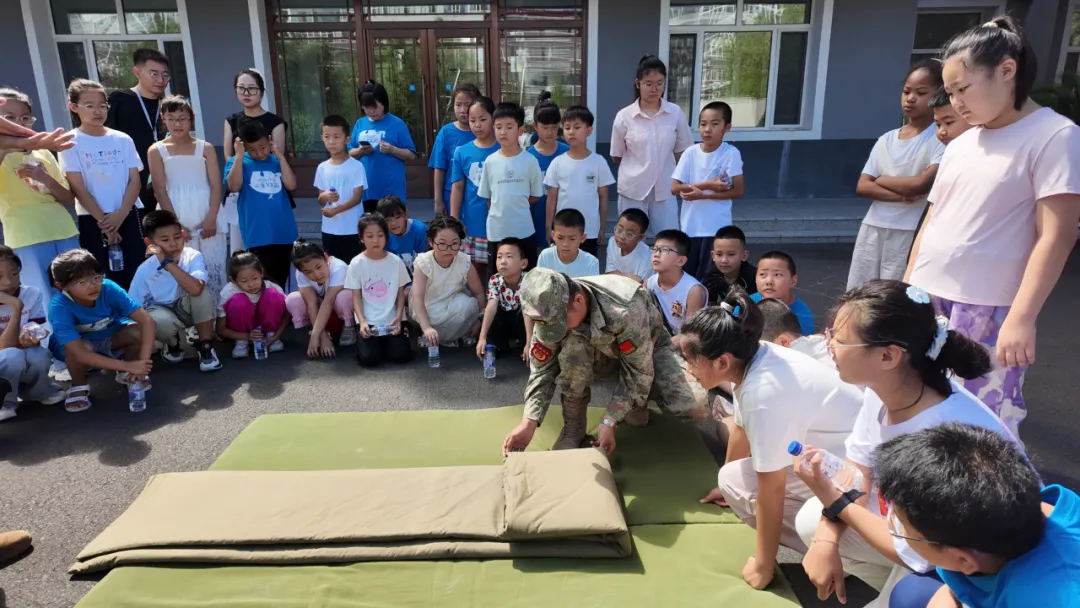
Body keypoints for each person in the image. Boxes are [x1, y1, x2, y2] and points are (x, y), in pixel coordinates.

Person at [906, 16, 1080, 439]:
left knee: (981, 424)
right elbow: (933, 220)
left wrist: (1022, 317)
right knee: (918, 406)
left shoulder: (1055, 135)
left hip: (987, 307)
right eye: (950, 92)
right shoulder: (963, 142)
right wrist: (907, 289)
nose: (956, 102)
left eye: (962, 89)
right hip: (929, 296)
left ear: (1006, 70)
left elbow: (1057, 234)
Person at [792, 281, 1018, 604]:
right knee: (813, 522)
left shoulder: (941, 436)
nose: (829, 345)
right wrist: (827, 538)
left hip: (971, 565)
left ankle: (907, 591)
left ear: (888, 355)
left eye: (839, 340)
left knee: (909, 593)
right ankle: (894, 586)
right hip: (923, 537)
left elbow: (923, 551)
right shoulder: (886, 389)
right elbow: (857, 475)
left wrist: (834, 500)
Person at [680, 294, 863, 591]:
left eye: (692, 361)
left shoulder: (764, 393)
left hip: (856, 479)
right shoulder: (755, 355)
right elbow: (740, 429)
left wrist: (763, 566)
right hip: (837, 458)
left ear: (722, 362)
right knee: (732, 480)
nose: (688, 369)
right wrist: (726, 487)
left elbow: (772, 486)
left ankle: (849, 557)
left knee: (780, 504)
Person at [503, 267, 708, 454]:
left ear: (578, 300)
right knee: (574, 343)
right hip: (603, 354)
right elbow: (541, 370)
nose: (557, 331)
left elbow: (639, 371)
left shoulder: (626, 308)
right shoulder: (548, 309)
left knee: (693, 405)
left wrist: (610, 419)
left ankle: (638, 401)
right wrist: (529, 421)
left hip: (648, 351)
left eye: (560, 324)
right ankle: (574, 428)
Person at [876, 424, 1080, 608]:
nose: (896, 525)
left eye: (901, 526)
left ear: (964, 560)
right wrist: (952, 595)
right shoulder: (1019, 506)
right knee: (910, 593)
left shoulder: (1043, 598)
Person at [849, 61, 945, 291]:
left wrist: (881, 180)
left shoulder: (940, 138)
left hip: (909, 228)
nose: (910, 99)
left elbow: (920, 185)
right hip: (873, 225)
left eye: (921, 93)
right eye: (906, 91)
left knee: (895, 292)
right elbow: (863, 185)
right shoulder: (887, 139)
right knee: (861, 291)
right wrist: (902, 195)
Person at [60, 79, 146, 291]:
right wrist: (105, 223)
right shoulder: (69, 141)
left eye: (102, 105)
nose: (97, 111)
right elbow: (78, 187)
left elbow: (135, 180)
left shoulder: (122, 139)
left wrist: (120, 214)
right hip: (93, 218)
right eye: (89, 106)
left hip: (126, 213)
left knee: (136, 270)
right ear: (73, 106)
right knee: (99, 273)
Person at [47, 249, 155, 413]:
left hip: (110, 335)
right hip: (79, 346)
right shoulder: (58, 306)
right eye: (81, 282)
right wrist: (128, 365)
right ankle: (79, 385)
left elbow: (147, 321)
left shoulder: (108, 288)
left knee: (136, 331)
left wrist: (143, 364)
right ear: (61, 286)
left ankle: (129, 374)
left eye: (96, 277)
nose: (93, 285)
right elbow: (79, 353)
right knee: (79, 350)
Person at [0, 88, 79, 298]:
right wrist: (6, 148)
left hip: (63, 230)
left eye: (25, 118)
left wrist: (45, 178)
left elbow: (68, 198)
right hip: (26, 236)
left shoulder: (43, 151)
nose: (19, 123)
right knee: (43, 296)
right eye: (9, 118)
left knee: (77, 290)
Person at [147, 95, 226, 306]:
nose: (177, 124)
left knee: (213, 267)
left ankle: (217, 313)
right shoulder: (156, 150)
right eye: (171, 119)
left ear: (191, 119)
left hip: (205, 208)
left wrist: (211, 217)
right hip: (174, 210)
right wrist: (175, 224)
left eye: (182, 119)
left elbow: (216, 185)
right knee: (181, 267)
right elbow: (160, 190)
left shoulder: (205, 147)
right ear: (163, 119)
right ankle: (186, 315)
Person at [127, 210, 221, 373]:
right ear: (150, 243)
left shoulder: (193, 256)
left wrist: (167, 263)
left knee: (201, 292)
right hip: (161, 312)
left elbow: (196, 289)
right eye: (165, 240)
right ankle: (172, 342)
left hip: (186, 307)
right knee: (161, 321)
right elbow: (133, 307)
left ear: (183, 234)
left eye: (177, 237)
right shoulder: (144, 270)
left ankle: (206, 347)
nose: (173, 244)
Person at [610, 55, 693, 236]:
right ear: (638, 84)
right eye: (648, 84)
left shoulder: (675, 113)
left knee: (669, 238)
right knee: (629, 238)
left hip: (665, 187)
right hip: (633, 189)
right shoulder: (624, 116)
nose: (654, 89)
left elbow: (683, 152)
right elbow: (616, 155)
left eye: (659, 83)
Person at [672, 101, 745, 279]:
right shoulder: (690, 153)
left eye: (715, 124)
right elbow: (674, 188)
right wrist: (708, 186)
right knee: (689, 277)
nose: (707, 129)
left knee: (712, 278)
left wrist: (701, 195)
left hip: (717, 228)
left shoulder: (731, 153)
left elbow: (738, 191)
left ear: (727, 127)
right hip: (690, 227)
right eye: (703, 124)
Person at [224, 120, 299, 288]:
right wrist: (239, 156)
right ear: (243, 145)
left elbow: (291, 185)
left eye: (263, 147)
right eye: (252, 149)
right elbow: (234, 186)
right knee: (262, 282)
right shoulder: (237, 162)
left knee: (281, 282)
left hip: (283, 232)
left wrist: (280, 157)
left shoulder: (276, 161)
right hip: (257, 235)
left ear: (270, 140)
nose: (259, 154)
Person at [224, 68, 290, 252]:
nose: (246, 93)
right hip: (241, 189)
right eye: (241, 88)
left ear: (261, 91)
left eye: (252, 88)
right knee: (242, 246)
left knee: (272, 245)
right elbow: (228, 156)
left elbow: (277, 157)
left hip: (268, 187)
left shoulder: (275, 121)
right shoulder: (231, 121)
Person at [0, 246, 65, 421]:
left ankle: (38, 392)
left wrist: (34, 336)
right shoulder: (18, 301)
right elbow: (4, 348)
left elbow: (33, 327)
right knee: (11, 355)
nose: (8, 282)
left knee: (38, 354)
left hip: (15, 354)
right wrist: (16, 306)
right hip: (5, 358)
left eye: (14, 273)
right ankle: (5, 402)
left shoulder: (31, 293)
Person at [479, 101, 544, 275]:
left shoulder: (530, 161)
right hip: (497, 230)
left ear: (520, 130)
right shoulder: (490, 162)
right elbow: (488, 198)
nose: (503, 132)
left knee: (528, 276)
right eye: (498, 127)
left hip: (523, 229)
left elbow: (535, 195)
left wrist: (517, 206)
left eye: (509, 127)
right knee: (497, 276)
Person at [543, 105, 614, 257]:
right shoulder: (557, 163)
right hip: (563, 230)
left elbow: (603, 197)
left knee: (587, 266)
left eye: (576, 127)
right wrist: (549, 227)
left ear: (589, 131)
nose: (571, 132)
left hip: (589, 230)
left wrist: (602, 227)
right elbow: (551, 199)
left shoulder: (598, 162)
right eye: (567, 127)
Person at [106, 48, 169, 212]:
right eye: (154, 74)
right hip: (129, 181)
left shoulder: (167, 106)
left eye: (165, 75)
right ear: (137, 72)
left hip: (163, 181)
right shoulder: (119, 100)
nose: (160, 80)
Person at [346, 213, 412, 367]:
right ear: (362, 238)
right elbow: (356, 296)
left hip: (392, 319)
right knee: (369, 359)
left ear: (386, 236)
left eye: (380, 235)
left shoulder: (395, 261)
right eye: (369, 236)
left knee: (401, 355)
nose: (375, 240)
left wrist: (399, 317)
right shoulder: (356, 263)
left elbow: (400, 293)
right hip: (369, 320)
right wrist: (362, 322)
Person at [410, 215, 485, 348]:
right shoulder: (423, 263)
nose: (449, 248)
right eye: (442, 244)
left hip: (453, 302)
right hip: (429, 305)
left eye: (454, 243)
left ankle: (455, 333)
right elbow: (418, 299)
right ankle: (430, 334)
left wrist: (478, 319)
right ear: (431, 242)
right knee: (428, 315)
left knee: (469, 306)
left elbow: (478, 293)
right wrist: (426, 327)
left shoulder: (464, 261)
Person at [348, 81, 417, 213]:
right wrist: (360, 151)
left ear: (384, 103)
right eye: (366, 108)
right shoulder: (360, 124)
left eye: (375, 107)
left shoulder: (397, 124)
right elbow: (349, 153)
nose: (371, 111)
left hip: (391, 192)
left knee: (392, 224)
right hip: (366, 190)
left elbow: (411, 155)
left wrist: (392, 149)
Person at [450, 96, 499, 273]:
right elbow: (458, 187)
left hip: (500, 222)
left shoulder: (505, 149)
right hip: (474, 221)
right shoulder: (462, 152)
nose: (477, 125)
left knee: (501, 269)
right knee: (474, 271)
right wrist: (454, 219)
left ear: (493, 118)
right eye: (472, 120)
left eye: (483, 119)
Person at [286, 238, 354, 359]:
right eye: (308, 272)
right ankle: (316, 331)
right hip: (321, 315)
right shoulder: (300, 273)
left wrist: (315, 335)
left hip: (337, 313)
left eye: (318, 267)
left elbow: (329, 301)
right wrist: (322, 337)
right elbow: (311, 303)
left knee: (344, 296)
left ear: (325, 257)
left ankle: (349, 327)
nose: (316, 275)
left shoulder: (339, 268)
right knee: (293, 299)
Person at [216, 250, 287, 359]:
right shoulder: (228, 292)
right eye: (244, 281)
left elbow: (287, 313)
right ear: (232, 280)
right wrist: (246, 336)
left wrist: (276, 336)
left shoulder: (271, 286)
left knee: (272, 295)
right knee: (239, 301)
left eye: (255, 278)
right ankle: (241, 342)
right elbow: (220, 330)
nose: (251, 284)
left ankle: (270, 334)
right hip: (242, 333)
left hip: (267, 330)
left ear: (261, 273)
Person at [315, 114, 366, 264]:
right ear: (322, 138)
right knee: (333, 267)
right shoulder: (322, 167)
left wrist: (335, 211)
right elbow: (320, 199)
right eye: (327, 137)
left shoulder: (356, 166)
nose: (331, 141)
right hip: (329, 229)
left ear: (347, 139)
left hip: (352, 228)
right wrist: (324, 196)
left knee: (353, 267)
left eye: (336, 137)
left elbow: (356, 198)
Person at [526, 92, 569, 249]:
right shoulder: (527, 157)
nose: (550, 132)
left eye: (554, 127)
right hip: (535, 220)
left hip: (564, 220)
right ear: (535, 126)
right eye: (545, 128)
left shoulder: (568, 153)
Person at [477, 237, 531, 361]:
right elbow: (491, 306)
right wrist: (482, 337)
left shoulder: (529, 280)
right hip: (504, 322)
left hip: (523, 323)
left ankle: (525, 345)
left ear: (523, 263)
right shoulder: (495, 280)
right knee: (488, 313)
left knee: (525, 313)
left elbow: (529, 311)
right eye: (499, 257)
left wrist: (529, 343)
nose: (503, 261)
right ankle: (497, 345)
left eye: (509, 257)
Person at [430, 83, 479, 217]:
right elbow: (439, 168)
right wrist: (438, 200)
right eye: (458, 105)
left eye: (467, 104)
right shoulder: (446, 132)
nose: (462, 110)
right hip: (450, 195)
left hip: (477, 197)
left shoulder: (483, 132)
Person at [646, 229, 706, 336]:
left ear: (681, 261)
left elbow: (690, 334)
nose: (656, 254)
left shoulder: (693, 291)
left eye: (665, 250)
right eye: (654, 249)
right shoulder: (649, 284)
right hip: (658, 337)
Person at [750, 251, 813, 336]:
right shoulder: (747, 304)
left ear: (793, 281)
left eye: (777, 275)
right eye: (762, 274)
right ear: (755, 278)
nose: (769, 281)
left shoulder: (802, 316)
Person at [756, 298, 831, 367]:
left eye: (762, 350)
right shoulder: (828, 347)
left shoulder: (786, 370)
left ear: (784, 342)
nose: (758, 356)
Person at [700, 225, 757, 303]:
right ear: (713, 256)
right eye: (719, 254)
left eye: (731, 254)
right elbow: (710, 304)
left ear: (744, 256)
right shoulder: (711, 276)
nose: (724, 260)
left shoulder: (753, 278)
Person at [537, 209, 600, 278]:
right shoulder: (545, 256)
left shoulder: (591, 262)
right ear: (553, 235)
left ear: (582, 238)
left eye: (572, 239)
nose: (565, 244)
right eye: (560, 238)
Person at [379, 195, 427, 274]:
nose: (393, 223)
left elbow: (427, 263)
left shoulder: (420, 231)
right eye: (387, 220)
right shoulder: (382, 235)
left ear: (406, 215)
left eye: (398, 217)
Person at [605, 208, 653, 284]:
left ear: (640, 238)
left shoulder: (647, 260)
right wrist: (628, 276)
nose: (621, 236)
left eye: (629, 234)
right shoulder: (612, 242)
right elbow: (609, 272)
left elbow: (640, 285)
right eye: (619, 230)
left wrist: (618, 275)